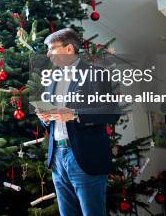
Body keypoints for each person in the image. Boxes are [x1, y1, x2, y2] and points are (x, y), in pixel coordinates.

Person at [36, 28, 119, 216]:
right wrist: (44, 117)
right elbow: (49, 118)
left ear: (69, 49)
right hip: (57, 156)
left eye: (52, 48)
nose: (48, 53)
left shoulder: (96, 74)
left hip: (84, 155)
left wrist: (74, 114)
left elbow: (111, 113)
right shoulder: (51, 80)